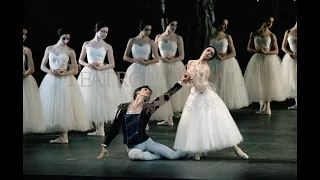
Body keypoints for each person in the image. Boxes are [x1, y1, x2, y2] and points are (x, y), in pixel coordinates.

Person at [173, 46, 249, 161]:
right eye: (208, 50)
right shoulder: (191, 62)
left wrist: (192, 78)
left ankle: (236, 148)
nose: (208, 53)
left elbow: (202, 89)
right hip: (193, 96)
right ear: (204, 50)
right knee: (195, 123)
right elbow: (189, 84)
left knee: (218, 122)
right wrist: (185, 80)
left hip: (205, 96)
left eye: (211, 54)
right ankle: (197, 150)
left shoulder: (206, 68)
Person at [97, 80, 188, 160]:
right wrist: (106, 144)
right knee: (134, 156)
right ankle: (157, 156)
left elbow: (166, 96)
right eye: (145, 89)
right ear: (137, 92)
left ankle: (191, 151)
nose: (148, 91)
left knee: (173, 156)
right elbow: (115, 128)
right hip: (133, 147)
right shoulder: (123, 107)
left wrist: (181, 83)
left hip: (147, 143)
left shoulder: (149, 107)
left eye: (150, 92)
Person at [39, 28, 92, 143]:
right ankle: (62, 136)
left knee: (65, 105)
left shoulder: (70, 51)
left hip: (65, 79)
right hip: (51, 79)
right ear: (59, 37)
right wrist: (51, 72)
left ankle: (64, 136)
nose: (66, 41)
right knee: (53, 105)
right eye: (64, 38)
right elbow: (42, 66)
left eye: (68, 39)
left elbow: (75, 70)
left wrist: (63, 74)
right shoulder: (49, 49)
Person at [120, 20, 173, 130]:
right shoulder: (132, 40)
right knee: (134, 94)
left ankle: (145, 120)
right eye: (146, 30)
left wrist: (147, 62)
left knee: (147, 95)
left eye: (150, 30)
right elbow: (125, 57)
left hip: (148, 69)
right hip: (135, 69)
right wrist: (135, 60)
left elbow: (157, 58)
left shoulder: (151, 42)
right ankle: (135, 117)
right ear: (141, 29)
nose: (148, 32)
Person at [77, 21, 121, 136]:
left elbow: (112, 64)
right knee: (91, 98)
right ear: (96, 30)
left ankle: (100, 128)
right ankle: (98, 128)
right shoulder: (87, 43)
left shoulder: (107, 46)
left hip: (102, 72)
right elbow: (80, 60)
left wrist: (101, 67)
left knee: (101, 98)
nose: (104, 34)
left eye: (106, 32)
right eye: (102, 31)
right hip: (89, 72)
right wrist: (88, 65)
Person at [244, 16, 286, 115]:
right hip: (257, 59)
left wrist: (266, 52)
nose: (270, 24)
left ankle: (267, 107)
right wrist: (256, 50)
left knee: (268, 82)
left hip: (269, 60)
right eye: (269, 22)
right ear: (264, 21)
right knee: (259, 81)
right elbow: (249, 48)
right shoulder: (254, 33)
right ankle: (262, 106)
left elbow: (276, 51)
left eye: (272, 22)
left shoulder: (271, 35)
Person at [208, 19, 250, 110]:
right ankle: (214, 108)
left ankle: (222, 109)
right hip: (212, 62)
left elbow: (233, 53)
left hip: (224, 63)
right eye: (223, 24)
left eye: (226, 25)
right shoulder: (211, 36)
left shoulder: (227, 37)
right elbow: (206, 50)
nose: (225, 27)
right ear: (218, 24)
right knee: (213, 84)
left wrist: (224, 57)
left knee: (223, 85)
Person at [155, 17, 190, 126]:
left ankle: (172, 116)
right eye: (172, 25)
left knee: (173, 89)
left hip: (174, 66)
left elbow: (182, 56)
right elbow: (153, 53)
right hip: (161, 65)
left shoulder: (178, 38)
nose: (174, 27)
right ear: (166, 24)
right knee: (162, 89)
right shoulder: (158, 37)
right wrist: (160, 58)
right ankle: (168, 117)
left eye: (176, 25)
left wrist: (172, 59)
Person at [23, 28, 45, 133]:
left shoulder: (26, 50)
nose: (23, 36)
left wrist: (24, 75)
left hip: (24, 79)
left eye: (25, 35)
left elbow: (31, 69)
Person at [281, 19, 297, 110]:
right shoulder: (289, 31)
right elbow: (283, 46)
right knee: (293, 80)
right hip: (292, 58)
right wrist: (290, 53)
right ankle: (296, 103)